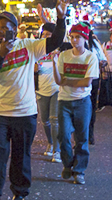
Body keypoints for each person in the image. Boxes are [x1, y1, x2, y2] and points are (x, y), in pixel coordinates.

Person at [0, 0, 69, 200]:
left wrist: (60, 18)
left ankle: (19, 193)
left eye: (5, 26)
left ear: (15, 27)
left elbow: (55, 40)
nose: (1, 30)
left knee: (21, 157)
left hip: (25, 113)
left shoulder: (28, 45)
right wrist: (1, 53)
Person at [52, 22, 100, 185]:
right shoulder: (64, 56)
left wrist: (67, 80)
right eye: (72, 37)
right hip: (64, 101)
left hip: (82, 102)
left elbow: (86, 82)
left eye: (78, 37)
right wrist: (54, 64)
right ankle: (67, 164)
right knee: (63, 135)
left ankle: (79, 170)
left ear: (85, 38)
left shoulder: (90, 57)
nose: (74, 40)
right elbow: (59, 80)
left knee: (81, 137)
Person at [35, 23, 61, 163]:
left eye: (48, 34)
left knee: (54, 120)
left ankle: (57, 150)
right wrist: (35, 67)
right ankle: (50, 142)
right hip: (41, 90)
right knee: (45, 121)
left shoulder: (58, 50)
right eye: (43, 34)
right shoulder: (37, 51)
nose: (45, 36)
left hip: (56, 89)